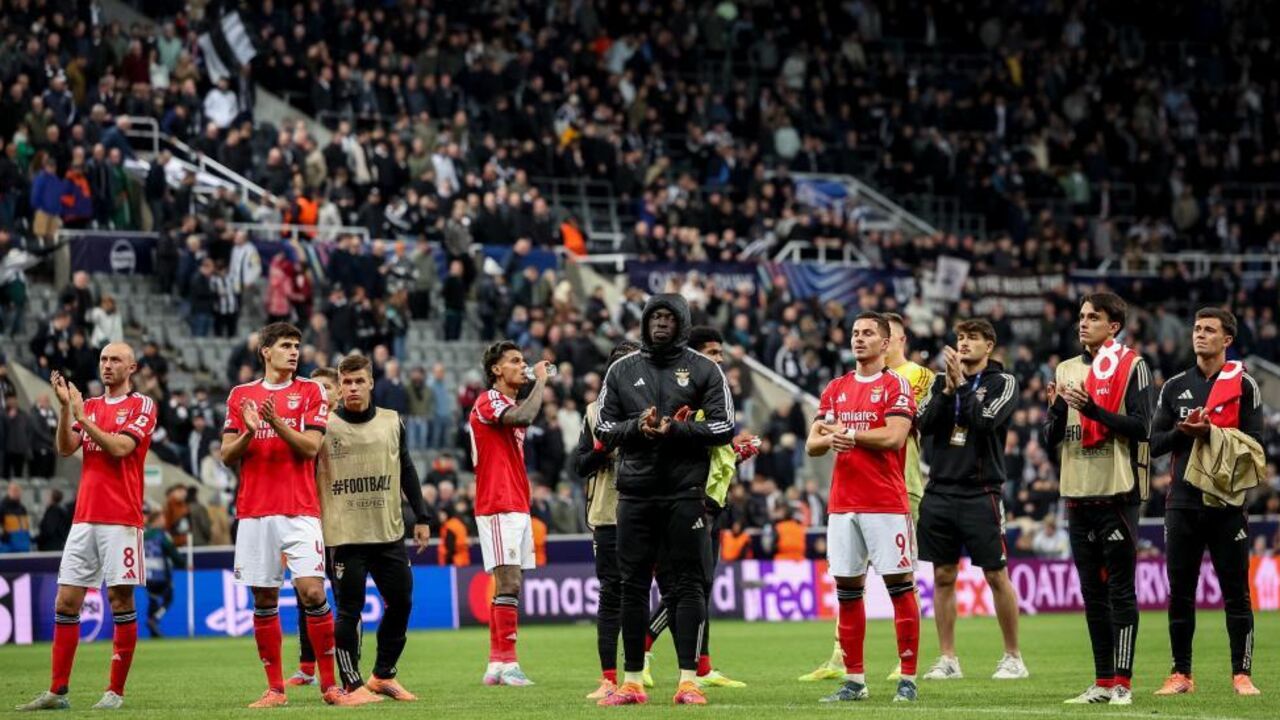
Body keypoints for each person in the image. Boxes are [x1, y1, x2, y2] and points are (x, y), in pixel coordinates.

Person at [594, 295, 735, 707]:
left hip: (684, 494)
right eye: (653, 316)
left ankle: (688, 681)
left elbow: (725, 426)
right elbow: (603, 425)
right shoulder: (622, 369)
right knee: (632, 586)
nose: (659, 323)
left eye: (667, 317)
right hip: (635, 494)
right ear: (643, 322)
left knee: (686, 584)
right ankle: (633, 681)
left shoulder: (705, 369)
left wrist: (676, 430)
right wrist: (637, 427)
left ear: (683, 323)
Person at [220, 322, 358, 707]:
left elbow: (311, 447)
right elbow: (227, 454)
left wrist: (275, 422)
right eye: (285, 345)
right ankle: (275, 689)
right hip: (254, 511)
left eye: (297, 345)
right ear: (265, 351)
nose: (294, 351)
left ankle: (331, 687)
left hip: (300, 510)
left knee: (313, 591)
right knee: (263, 598)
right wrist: (249, 432)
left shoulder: (310, 390)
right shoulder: (241, 395)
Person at [16, 346, 157, 711]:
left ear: (132, 367)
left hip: (122, 519)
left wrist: (83, 416)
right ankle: (57, 691)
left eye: (115, 360)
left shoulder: (142, 405)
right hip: (84, 518)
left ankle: (115, 692)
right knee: (65, 601)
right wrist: (67, 410)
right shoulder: (89, 406)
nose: (107, 365)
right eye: (103, 360)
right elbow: (65, 448)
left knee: (120, 600)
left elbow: (121, 448)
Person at [800, 312, 933, 682]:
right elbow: (813, 444)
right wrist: (833, 438)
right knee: (847, 590)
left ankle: (907, 678)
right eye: (855, 332)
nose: (858, 339)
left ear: (886, 342)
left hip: (887, 502)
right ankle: (854, 680)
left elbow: (894, 437)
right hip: (843, 504)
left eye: (868, 333)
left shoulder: (896, 387)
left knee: (900, 587)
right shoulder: (836, 387)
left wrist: (851, 435)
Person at [1043, 293, 1153, 705]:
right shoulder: (1066, 368)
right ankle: (1103, 682)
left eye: (1094, 317)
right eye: (1081, 316)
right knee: (1092, 595)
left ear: (1114, 327)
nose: (1083, 323)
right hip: (1076, 493)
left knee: (1121, 591)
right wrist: (1054, 410)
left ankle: (1124, 683)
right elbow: (1051, 438)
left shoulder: (1133, 366)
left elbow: (1142, 428)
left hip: (1116, 493)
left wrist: (1093, 410)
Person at [1150, 308, 1262, 697]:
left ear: (1227, 339)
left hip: (1227, 504)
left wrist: (1213, 433)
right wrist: (1185, 431)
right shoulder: (1174, 387)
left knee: (1236, 592)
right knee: (1180, 592)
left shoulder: (1244, 385)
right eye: (1197, 329)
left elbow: (1257, 446)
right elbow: (1154, 444)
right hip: (1181, 502)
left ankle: (1241, 674)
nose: (1200, 335)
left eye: (1209, 330)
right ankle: (1181, 674)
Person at [640, 326, 754, 689]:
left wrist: (736, 452)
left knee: (699, 587)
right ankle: (642, 651)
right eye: (712, 353)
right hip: (691, 502)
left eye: (721, 353)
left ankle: (702, 668)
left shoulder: (715, 399)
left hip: (713, 503)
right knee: (687, 587)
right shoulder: (689, 399)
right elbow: (687, 448)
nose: (719, 359)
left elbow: (713, 454)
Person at [915, 319, 1027, 680]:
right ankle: (948, 659)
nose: (964, 344)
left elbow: (985, 422)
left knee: (996, 574)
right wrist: (947, 392)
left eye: (973, 338)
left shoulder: (1003, 382)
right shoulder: (937, 381)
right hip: (940, 490)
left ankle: (1013, 657)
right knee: (943, 575)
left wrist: (962, 387)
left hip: (982, 491)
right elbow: (924, 425)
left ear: (989, 345)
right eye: (960, 338)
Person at [316, 354, 432, 701]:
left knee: (402, 602)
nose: (352, 388)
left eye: (358, 381)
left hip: (388, 532)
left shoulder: (392, 421)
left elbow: (407, 468)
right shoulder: (323, 425)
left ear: (370, 383)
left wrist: (422, 517)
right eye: (346, 382)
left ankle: (383, 675)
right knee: (349, 611)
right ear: (338, 386)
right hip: (345, 534)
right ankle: (351, 684)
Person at [470, 340, 553, 687]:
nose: (523, 366)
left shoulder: (508, 403)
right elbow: (523, 416)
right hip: (498, 501)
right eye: (515, 361)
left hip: (515, 501)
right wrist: (541, 383)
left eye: (523, 361)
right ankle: (509, 663)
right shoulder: (490, 399)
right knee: (509, 582)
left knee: (511, 584)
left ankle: (495, 664)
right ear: (496, 369)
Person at [576, 339, 641, 699]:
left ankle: (660, 671)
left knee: (663, 590)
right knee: (612, 594)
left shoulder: (653, 408)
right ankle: (608, 677)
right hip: (607, 514)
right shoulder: (593, 413)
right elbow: (580, 465)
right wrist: (602, 449)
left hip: (648, 510)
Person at [288, 367, 339, 688]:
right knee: (305, 595)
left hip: (340, 521)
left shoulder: (344, 428)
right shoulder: (303, 430)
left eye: (326, 387)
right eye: (315, 387)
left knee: (345, 596)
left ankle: (346, 665)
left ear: (336, 393)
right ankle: (307, 667)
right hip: (307, 518)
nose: (320, 392)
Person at [142, 510, 186, 638]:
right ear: (158, 520)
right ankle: (154, 620)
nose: (164, 521)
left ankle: (153, 631)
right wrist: (182, 563)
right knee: (168, 598)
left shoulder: (143, 535)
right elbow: (171, 551)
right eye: (162, 518)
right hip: (161, 575)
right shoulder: (162, 535)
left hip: (146, 575)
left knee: (153, 600)